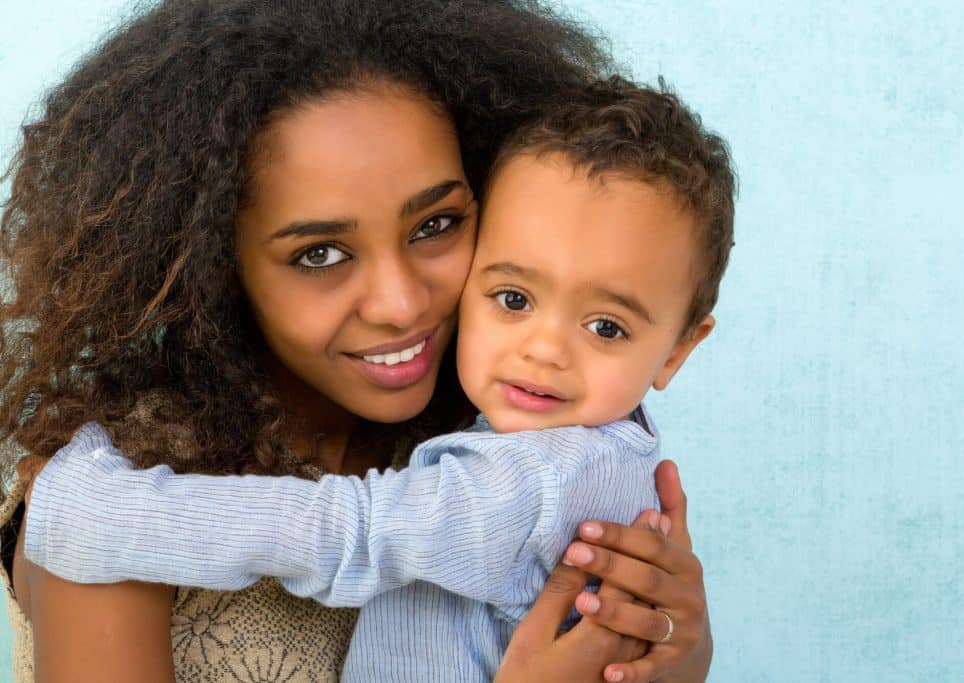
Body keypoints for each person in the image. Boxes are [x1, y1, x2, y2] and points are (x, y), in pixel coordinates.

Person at [0, 1, 712, 682]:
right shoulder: (121, 486)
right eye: (320, 254)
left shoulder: (498, 433)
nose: (401, 305)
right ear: (210, 263)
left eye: (435, 225)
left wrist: (670, 653)